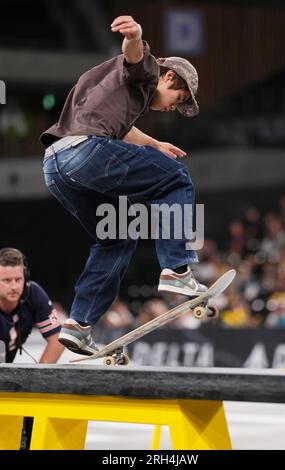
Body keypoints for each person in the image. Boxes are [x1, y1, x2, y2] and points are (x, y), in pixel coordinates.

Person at [41, 15, 207, 356]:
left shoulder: (116, 87)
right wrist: (137, 35)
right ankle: (177, 268)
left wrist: (155, 144)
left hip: (56, 167)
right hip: (86, 152)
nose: (174, 107)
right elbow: (136, 57)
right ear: (169, 76)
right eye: (177, 99)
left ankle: (79, 324)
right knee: (176, 177)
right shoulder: (146, 76)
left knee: (118, 233)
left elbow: (122, 130)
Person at [0, 247, 64, 363]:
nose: (14, 287)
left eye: (18, 279)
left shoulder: (33, 294)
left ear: (26, 277)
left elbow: (57, 339)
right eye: (7, 281)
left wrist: (40, 378)